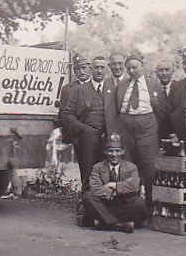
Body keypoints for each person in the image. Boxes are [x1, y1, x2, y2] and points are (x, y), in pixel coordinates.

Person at [106, 52, 165, 216]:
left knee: (149, 168)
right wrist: (116, 131)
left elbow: (161, 111)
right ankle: (132, 207)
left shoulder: (153, 85)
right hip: (126, 127)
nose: (132, 71)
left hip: (147, 127)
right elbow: (115, 111)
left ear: (142, 67)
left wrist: (153, 127)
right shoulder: (122, 85)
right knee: (129, 167)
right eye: (129, 68)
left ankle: (150, 207)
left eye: (135, 67)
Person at [80, 133, 147, 233]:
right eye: (110, 151)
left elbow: (135, 187)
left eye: (117, 151)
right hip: (104, 204)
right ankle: (118, 225)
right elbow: (94, 189)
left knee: (139, 203)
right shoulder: (98, 167)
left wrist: (112, 186)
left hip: (122, 206)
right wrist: (122, 187)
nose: (114, 154)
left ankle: (103, 222)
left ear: (123, 152)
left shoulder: (131, 167)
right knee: (87, 197)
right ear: (105, 152)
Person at [63, 56, 111, 192]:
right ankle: (87, 206)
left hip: (108, 138)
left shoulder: (112, 88)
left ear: (106, 70)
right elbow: (68, 113)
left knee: (107, 173)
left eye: (102, 68)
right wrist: (83, 129)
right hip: (88, 137)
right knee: (88, 172)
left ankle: (104, 206)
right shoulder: (79, 89)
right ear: (92, 69)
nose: (99, 71)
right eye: (96, 68)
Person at [58, 53, 91, 146]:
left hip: (93, 133)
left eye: (84, 68)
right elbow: (63, 113)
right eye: (78, 69)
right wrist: (75, 129)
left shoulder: (96, 86)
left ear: (90, 69)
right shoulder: (68, 89)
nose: (81, 71)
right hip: (74, 134)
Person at [155, 59, 175, 140]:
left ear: (172, 71)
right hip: (157, 133)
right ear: (156, 73)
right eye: (161, 70)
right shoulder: (153, 88)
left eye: (167, 70)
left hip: (176, 133)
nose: (164, 73)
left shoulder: (179, 88)